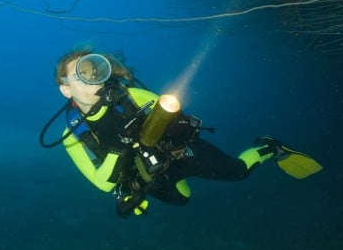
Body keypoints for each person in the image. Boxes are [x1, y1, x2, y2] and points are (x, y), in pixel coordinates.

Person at [40, 46, 321, 217]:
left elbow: (178, 119)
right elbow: (103, 184)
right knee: (183, 200)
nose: (91, 79)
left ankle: (270, 147)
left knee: (238, 172)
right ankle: (181, 180)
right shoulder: (74, 135)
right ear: (66, 89)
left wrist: (161, 121)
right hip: (148, 174)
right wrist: (121, 147)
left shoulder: (131, 95)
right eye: (80, 75)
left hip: (180, 153)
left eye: (93, 70)